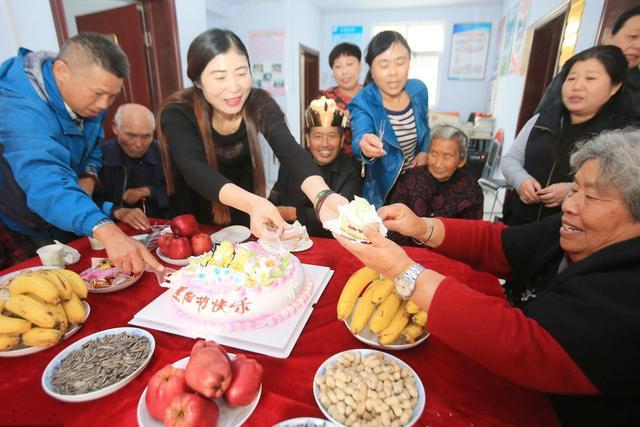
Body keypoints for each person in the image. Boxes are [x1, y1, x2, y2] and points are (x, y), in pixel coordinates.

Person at [335, 128, 640, 426]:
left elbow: (525, 342)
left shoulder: (628, 292)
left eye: (592, 198)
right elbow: (500, 244)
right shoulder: (571, 229)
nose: (570, 205)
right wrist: (421, 227)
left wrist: (405, 272)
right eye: (573, 189)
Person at [158, 29, 345, 239]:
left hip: (243, 213)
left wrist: (322, 196)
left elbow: (290, 151)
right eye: (220, 77)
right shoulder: (178, 112)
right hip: (192, 221)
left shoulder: (258, 103)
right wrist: (255, 203)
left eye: (241, 73)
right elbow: (194, 169)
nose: (234, 87)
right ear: (198, 81)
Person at [0, 32, 162, 273]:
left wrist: (88, 175)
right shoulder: (21, 109)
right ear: (62, 72)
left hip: (69, 211)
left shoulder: (91, 99)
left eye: (113, 96)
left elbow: (93, 149)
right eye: (97, 94)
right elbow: (46, 181)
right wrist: (105, 228)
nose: (104, 105)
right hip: (24, 222)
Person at [501, 45, 637, 226]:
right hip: (521, 221)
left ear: (615, 86)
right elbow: (510, 159)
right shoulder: (542, 119)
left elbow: (626, 189)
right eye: (571, 78)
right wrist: (521, 180)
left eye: (590, 78)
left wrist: (572, 190)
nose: (577, 86)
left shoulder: (625, 135)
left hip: (574, 228)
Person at [349, 30, 430, 209]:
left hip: (418, 185)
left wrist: (424, 151)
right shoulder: (362, 102)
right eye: (384, 65)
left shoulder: (419, 90)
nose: (393, 72)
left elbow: (426, 127)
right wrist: (364, 144)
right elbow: (359, 138)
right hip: (384, 193)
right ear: (371, 69)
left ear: (409, 62)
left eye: (400, 62)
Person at [268, 97, 362, 237]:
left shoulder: (353, 169)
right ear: (307, 139)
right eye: (318, 136)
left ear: (342, 140)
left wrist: (292, 213)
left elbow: (343, 218)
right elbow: (275, 198)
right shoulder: (291, 164)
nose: (325, 143)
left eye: (332, 136)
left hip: (333, 246)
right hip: (289, 244)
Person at [536, 6, 640, 114]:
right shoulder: (573, 71)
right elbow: (540, 120)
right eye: (633, 36)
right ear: (608, 38)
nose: (638, 45)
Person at [389, 124, 483, 222]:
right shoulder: (409, 179)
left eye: (447, 156)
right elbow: (392, 221)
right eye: (434, 154)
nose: (438, 164)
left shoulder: (471, 189)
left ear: (462, 160)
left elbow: (472, 231)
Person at [95, 103, 168, 221]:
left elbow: (179, 193)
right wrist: (115, 210)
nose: (139, 144)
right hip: (110, 229)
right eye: (131, 136)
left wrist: (149, 191)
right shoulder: (98, 157)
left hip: (159, 226)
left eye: (146, 136)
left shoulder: (164, 153)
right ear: (115, 127)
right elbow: (85, 200)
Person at [319, 42, 363, 155]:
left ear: (360, 65)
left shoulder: (372, 94)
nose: (344, 71)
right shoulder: (325, 98)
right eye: (338, 66)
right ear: (333, 71)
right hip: (337, 166)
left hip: (373, 164)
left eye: (349, 64)